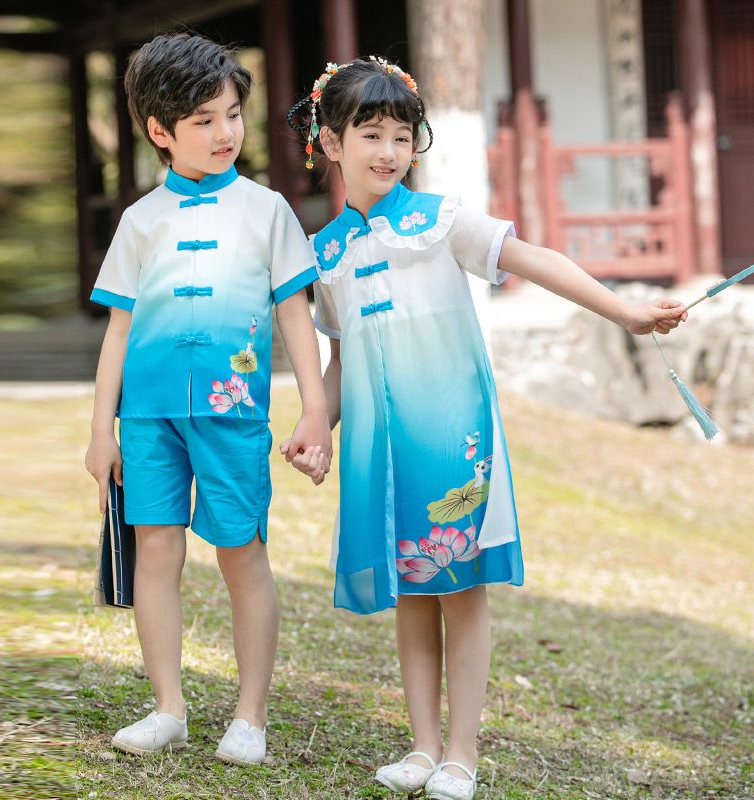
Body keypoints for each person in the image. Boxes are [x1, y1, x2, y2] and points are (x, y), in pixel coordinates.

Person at [283, 57, 686, 800]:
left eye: (402, 136)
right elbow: (340, 359)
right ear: (329, 143)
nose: (388, 152)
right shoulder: (326, 253)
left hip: (451, 438)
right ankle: (422, 746)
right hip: (381, 449)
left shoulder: (442, 222)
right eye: (369, 134)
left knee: (460, 587)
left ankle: (461, 755)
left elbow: (532, 257)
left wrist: (625, 310)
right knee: (411, 591)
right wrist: (318, 424)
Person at [84, 32, 331, 764]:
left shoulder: (268, 211)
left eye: (232, 115)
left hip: (233, 414)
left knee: (241, 552)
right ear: (160, 132)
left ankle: (249, 716)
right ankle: (168, 708)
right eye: (203, 120)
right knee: (154, 552)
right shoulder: (140, 222)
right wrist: (102, 431)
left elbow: (295, 314)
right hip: (149, 417)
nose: (226, 133)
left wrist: (315, 408)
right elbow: (117, 334)